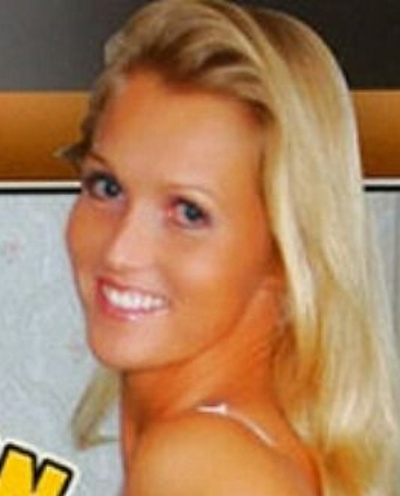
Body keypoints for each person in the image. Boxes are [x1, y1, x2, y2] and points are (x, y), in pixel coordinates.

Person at [63, 0, 400, 494]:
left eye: (188, 212)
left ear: (285, 249)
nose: (120, 251)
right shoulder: (256, 443)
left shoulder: (196, 465)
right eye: (107, 187)